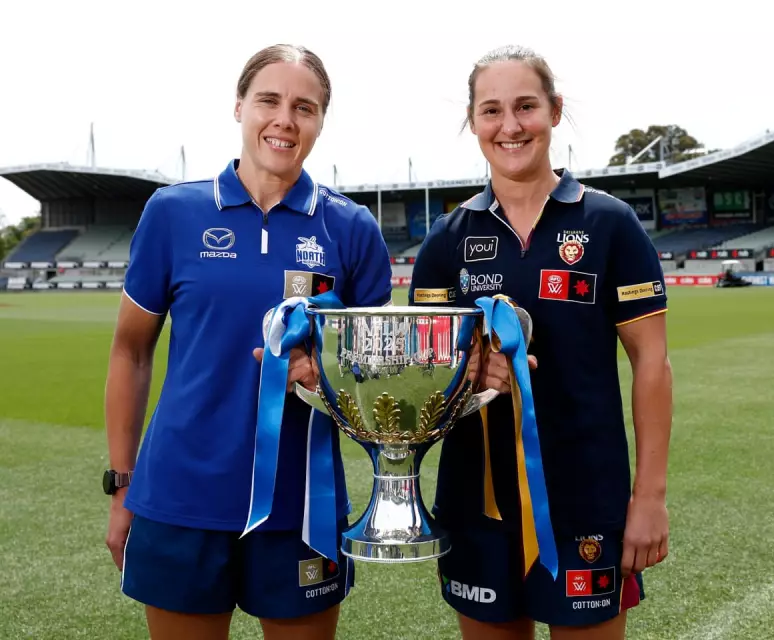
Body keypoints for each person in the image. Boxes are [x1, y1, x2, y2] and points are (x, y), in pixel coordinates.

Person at [103, 44, 393, 640]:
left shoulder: (351, 229)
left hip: (301, 508)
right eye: (269, 100)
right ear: (239, 106)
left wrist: (331, 373)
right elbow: (131, 352)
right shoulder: (173, 213)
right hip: (181, 498)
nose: (285, 119)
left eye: (304, 107)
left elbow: (380, 376)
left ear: (319, 121)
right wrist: (123, 482)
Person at [408, 45, 673, 640]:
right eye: (491, 110)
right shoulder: (446, 242)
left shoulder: (609, 224)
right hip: (477, 500)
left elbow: (651, 363)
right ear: (473, 122)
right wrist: (466, 372)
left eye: (526, 106)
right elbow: (422, 380)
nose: (510, 126)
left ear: (554, 111)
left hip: (588, 494)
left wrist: (649, 497)